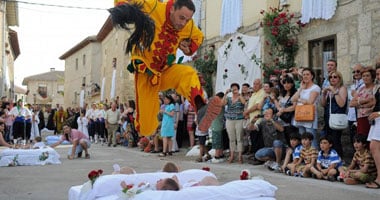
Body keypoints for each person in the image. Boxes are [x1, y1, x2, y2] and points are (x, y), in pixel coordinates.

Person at [110, 0, 221, 136]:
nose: (183, 23)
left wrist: (188, 48)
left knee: (188, 73)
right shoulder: (153, 6)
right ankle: (145, 138)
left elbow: (198, 37)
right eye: (181, 18)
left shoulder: (188, 26)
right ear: (172, 8)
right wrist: (122, 10)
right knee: (146, 127)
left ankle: (201, 109)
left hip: (166, 71)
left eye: (187, 20)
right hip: (147, 72)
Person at [291, 68, 321, 148]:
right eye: (304, 75)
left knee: (311, 139)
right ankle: (306, 157)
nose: (305, 76)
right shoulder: (302, 88)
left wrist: (299, 99)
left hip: (309, 116)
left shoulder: (315, 87)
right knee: (303, 140)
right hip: (301, 116)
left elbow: (310, 102)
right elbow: (292, 99)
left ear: (312, 76)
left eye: (307, 74)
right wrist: (300, 88)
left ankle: (314, 158)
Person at [320, 70, 347, 157]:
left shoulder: (342, 88)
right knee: (328, 139)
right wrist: (324, 94)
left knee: (335, 140)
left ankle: (339, 159)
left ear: (339, 78)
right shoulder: (328, 89)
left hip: (337, 117)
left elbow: (341, 104)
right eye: (330, 77)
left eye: (335, 77)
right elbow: (323, 104)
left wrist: (334, 92)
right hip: (328, 117)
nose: (332, 79)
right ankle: (330, 159)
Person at [243, 78, 265, 164]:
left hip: (258, 119)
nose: (254, 85)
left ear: (260, 85)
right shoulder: (254, 94)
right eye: (254, 83)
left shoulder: (261, 92)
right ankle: (255, 156)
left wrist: (247, 111)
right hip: (252, 119)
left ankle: (259, 158)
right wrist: (247, 113)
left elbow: (257, 106)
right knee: (253, 138)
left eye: (256, 84)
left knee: (257, 139)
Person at [349, 67, 377, 136]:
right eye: (363, 76)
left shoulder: (376, 88)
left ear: (372, 77)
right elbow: (351, 104)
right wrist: (364, 101)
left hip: (371, 117)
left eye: (367, 76)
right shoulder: (361, 89)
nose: (365, 78)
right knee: (362, 140)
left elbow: (374, 102)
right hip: (360, 118)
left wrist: (358, 103)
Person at [223, 83, 246, 164]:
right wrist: (225, 94)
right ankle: (232, 155)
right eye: (233, 88)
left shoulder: (240, 97)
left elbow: (244, 103)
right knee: (231, 139)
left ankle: (240, 156)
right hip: (229, 119)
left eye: (235, 88)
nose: (234, 90)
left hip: (239, 119)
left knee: (239, 138)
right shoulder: (229, 98)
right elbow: (222, 104)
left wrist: (238, 95)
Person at [366, 64, 380, 189]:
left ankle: (379, 178)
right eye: (378, 74)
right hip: (376, 120)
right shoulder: (378, 88)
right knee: (374, 147)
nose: (378, 77)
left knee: (374, 147)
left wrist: (378, 113)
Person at [347, 64, 364, 148]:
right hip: (351, 116)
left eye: (358, 71)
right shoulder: (353, 86)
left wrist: (355, 95)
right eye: (354, 71)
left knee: (360, 142)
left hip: (360, 116)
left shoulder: (364, 85)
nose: (356, 73)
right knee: (353, 141)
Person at [210, 92, 226, 163]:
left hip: (217, 124)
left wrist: (225, 94)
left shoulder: (219, 104)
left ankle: (217, 155)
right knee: (220, 139)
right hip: (218, 124)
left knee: (217, 140)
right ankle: (220, 154)